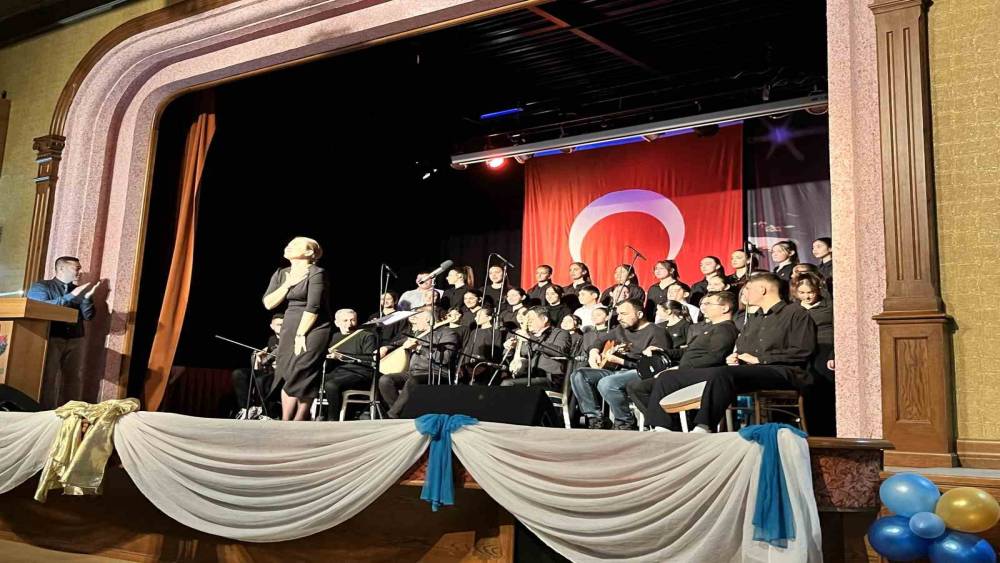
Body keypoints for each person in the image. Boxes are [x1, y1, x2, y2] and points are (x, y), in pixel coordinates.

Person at [643, 273, 815, 433]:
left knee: (722, 373)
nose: (744, 293)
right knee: (669, 377)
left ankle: (704, 426)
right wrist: (737, 356)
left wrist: (760, 359)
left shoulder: (795, 313)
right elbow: (743, 347)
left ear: (762, 289)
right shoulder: (755, 318)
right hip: (749, 371)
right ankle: (662, 428)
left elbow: (803, 350)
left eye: (748, 289)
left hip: (782, 371)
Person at [630, 291, 740, 423]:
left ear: (725, 308)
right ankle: (667, 423)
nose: (704, 307)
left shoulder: (725, 329)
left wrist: (680, 369)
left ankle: (666, 424)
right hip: (687, 371)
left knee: (643, 387)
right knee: (636, 386)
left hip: (698, 375)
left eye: (709, 304)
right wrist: (663, 351)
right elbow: (688, 351)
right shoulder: (711, 328)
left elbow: (715, 357)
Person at [569, 299, 669, 430]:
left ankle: (625, 421)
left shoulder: (657, 332)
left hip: (639, 373)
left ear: (639, 314)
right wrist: (594, 352)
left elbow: (654, 367)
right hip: (616, 371)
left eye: (624, 314)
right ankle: (595, 419)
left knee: (607, 383)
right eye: (618, 314)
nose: (619, 318)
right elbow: (599, 340)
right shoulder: (620, 329)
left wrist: (621, 361)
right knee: (579, 375)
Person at [262, 236, 332, 421]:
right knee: (286, 370)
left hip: (314, 326)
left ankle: (300, 419)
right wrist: (288, 283)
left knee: (302, 370)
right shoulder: (281, 273)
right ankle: (285, 421)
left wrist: (301, 334)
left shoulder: (317, 273)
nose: (288, 247)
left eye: (294, 245)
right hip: (290, 323)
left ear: (309, 252)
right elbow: (268, 303)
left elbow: (313, 307)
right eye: (288, 244)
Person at [27, 256, 100, 407]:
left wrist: (86, 297)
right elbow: (40, 308)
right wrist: (72, 296)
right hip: (51, 338)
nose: (79, 272)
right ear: (61, 268)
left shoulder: (78, 290)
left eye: (79, 269)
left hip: (76, 339)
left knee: (73, 379)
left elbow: (88, 316)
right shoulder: (42, 286)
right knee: (48, 377)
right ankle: (46, 412)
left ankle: (71, 412)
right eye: (76, 268)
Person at [378, 308, 460, 418]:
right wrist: (386, 348)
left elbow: (444, 358)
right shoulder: (418, 334)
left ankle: (392, 415)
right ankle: (401, 413)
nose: (414, 322)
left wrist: (419, 348)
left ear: (427, 320)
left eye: (417, 318)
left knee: (414, 380)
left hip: (435, 373)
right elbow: (399, 343)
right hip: (413, 372)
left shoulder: (448, 333)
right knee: (385, 380)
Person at [322, 309, 377, 420]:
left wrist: (342, 356)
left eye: (352, 320)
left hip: (360, 373)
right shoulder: (333, 337)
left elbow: (370, 359)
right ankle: (317, 415)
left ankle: (333, 420)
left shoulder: (366, 335)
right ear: (337, 323)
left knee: (331, 385)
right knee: (309, 381)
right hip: (338, 372)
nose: (349, 324)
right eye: (345, 320)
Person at [501, 306, 571, 388]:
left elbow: (560, 352)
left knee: (508, 385)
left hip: (549, 378)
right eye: (527, 320)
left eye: (531, 319)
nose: (528, 322)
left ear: (544, 319)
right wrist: (510, 349)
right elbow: (513, 361)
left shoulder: (560, 333)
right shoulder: (528, 336)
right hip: (527, 376)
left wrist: (531, 339)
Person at [231, 313, 282, 416]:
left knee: (262, 380)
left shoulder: (290, 338)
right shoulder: (272, 339)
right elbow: (264, 355)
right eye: (278, 325)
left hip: (281, 374)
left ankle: (268, 412)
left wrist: (268, 358)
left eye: (283, 324)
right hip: (269, 371)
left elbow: (277, 352)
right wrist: (257, 356)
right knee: (239, 373)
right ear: (271, 326)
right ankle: (247, 409)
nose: (281, 327)